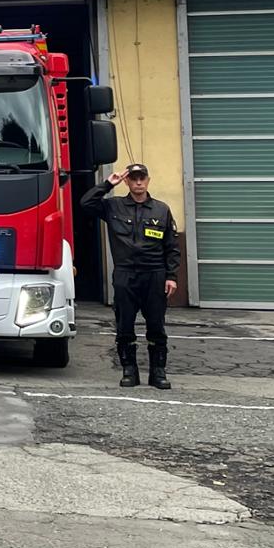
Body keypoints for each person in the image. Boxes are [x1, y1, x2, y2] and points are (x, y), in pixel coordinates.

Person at [81, 162, 181, 389]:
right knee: (125, 325)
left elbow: (171, 247)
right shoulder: (113, 206)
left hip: (154, 274)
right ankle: (129, 371)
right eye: (133, 178)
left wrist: (172, 276)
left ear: (148, 180)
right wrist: (107, 184)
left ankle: (158, 372)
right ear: (126, 181)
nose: (138, 182)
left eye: (141, 178)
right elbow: (86, 204)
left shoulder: (161, 209)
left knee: (156, 325)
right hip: (126, 274)